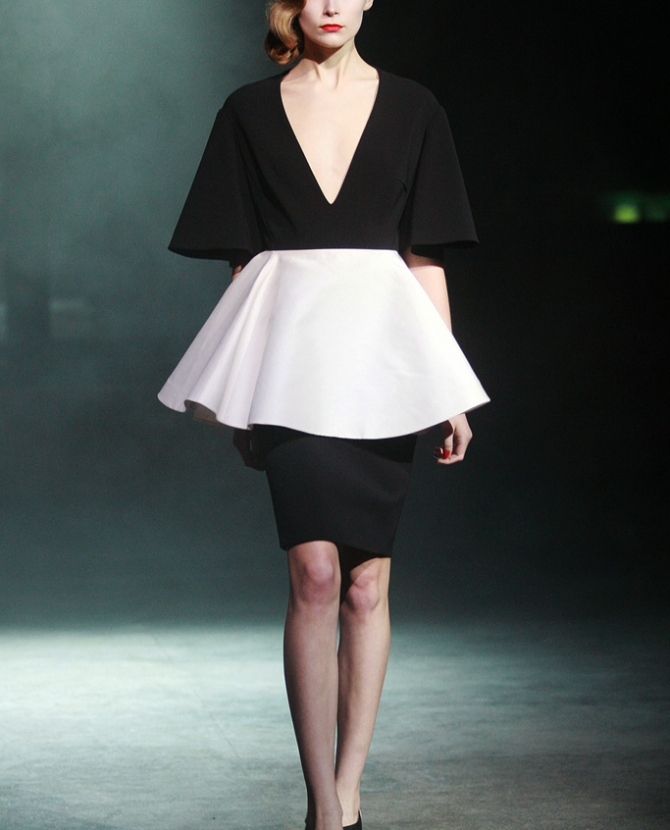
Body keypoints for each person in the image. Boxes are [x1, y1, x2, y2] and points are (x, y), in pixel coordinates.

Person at [158, 1, 488, 828]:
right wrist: (242, 390)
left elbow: (424, 257)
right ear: (290, 6)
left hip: (382, 361)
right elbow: (244, 264)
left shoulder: (414, 108)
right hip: (292, 361)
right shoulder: (249, 111)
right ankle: (324, 807)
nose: (332, 4)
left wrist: (448, 386)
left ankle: (350, 786)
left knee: (367, 585)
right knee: (313, 573)